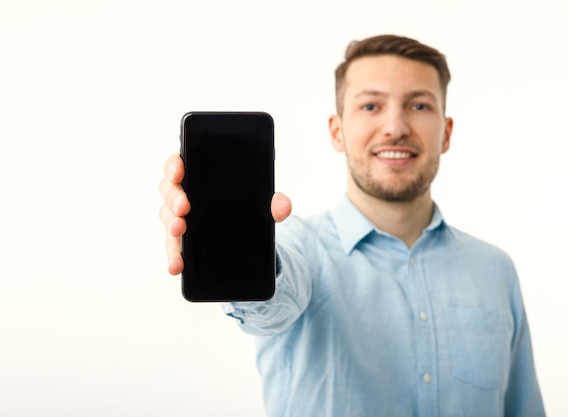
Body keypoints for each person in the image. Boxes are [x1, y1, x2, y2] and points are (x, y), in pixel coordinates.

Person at [159, 34, 545, 417]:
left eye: (419, 105)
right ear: (337, 131)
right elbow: (272, 302)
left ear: (446, 132)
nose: (395, 127)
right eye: (371, 105)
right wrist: (236, 251)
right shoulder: (299, 251)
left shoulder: (496, 270)